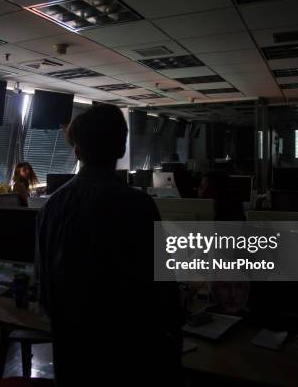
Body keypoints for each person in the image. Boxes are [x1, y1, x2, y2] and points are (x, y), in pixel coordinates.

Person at [36, 104, 183, 386]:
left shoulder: (50, 207)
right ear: (121, 148)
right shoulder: (138, 206)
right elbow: (163, 296)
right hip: (129, 362)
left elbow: (45, 293)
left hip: (72, 361)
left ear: (77, 151)